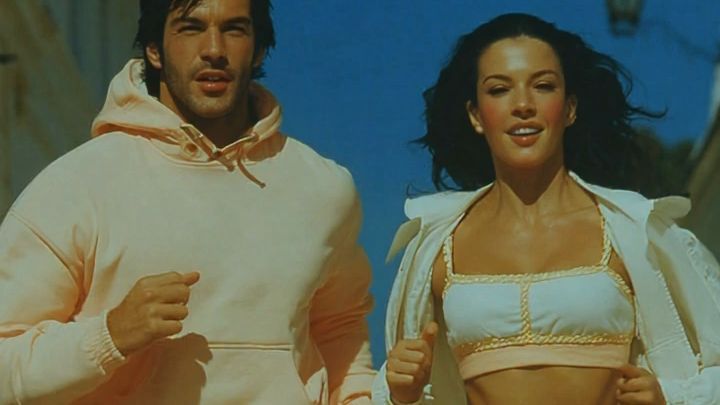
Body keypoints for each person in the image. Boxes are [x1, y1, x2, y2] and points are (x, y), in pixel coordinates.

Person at [0, 0, 376, 403]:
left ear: (259, 49)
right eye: (191, 28)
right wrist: (109, 336)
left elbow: (341, 338)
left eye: (234, 29)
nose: (214, 49)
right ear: (154, 49)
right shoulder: (78, 185)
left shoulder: (322, 188)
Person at [371, 13, 720, 405]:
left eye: (543, 86)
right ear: (475, 115)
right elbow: (410, 390)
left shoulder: (636, 230)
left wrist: (670, 397)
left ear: (570, 108)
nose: (523, 105)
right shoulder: (434, 247)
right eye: (499, 89)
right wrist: (402, 394)